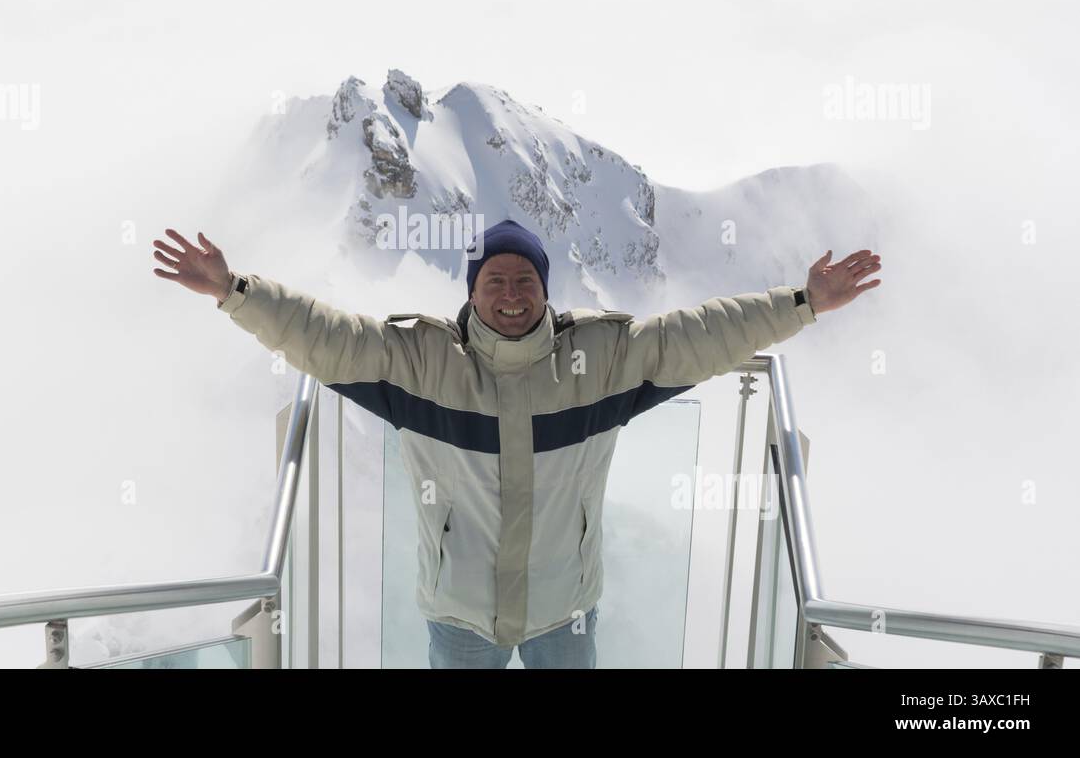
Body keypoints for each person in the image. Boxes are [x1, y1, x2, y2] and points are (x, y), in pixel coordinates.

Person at [153, 219, 882, 668]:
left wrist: (802, 304)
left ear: (545, 288)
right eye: (494, 278)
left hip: (566, 611)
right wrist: (235, 291)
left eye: (524, 278)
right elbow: (326, 338)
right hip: (458, 615)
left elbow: (699, 336)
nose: (510, 292)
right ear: (471, 291)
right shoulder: (419, 363)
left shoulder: (603, 360)